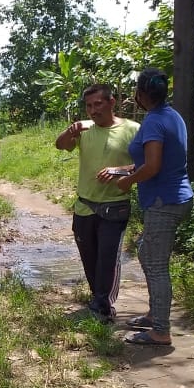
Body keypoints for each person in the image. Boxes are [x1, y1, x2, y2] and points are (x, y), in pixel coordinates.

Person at [112, 68, 194, 346]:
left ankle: (161, 331)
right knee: (146, 252)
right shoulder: (172, 116)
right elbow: (155, 159)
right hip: (175, 197)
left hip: (164, 201)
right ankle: (154, 314)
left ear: (140, 94)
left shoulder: (153, 122)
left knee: (157, 265)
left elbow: (153, 166)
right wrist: (125, 170)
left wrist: (127, 182)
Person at [55, 84, 138, 323]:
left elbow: (147, 164)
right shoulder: (84, 129)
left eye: (98, 104)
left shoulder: (133, 130)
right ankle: (97, 299)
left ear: (112, 102)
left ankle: (103, 305)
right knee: (89, 256)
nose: (93, 110)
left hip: (115, 205)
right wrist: (70, 131)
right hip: (84, 205)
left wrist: (120, 170)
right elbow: (61, 145)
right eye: (89, 106)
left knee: (107, 258)